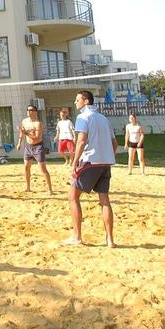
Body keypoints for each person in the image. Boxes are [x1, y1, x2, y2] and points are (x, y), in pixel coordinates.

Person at [65, 90, 117, 247]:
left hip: (90, 162)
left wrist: (74, 162)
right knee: (105, 200)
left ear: (86, 101)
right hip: (105, 163)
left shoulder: (83, 117)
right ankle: (110, 240)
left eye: (77, 100)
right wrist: (106, 155)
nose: (75, 102)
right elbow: (114, 144)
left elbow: (81, 141)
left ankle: (77, 237)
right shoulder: (104, 118)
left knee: (72, 196)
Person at [17, 105, 53, 194]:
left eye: (31, 110)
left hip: (38, 147)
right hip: (28, 146)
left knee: (43, 169)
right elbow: (22, 133)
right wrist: (19, 143)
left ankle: (50, 190)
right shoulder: (24, 121)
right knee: (26, 167)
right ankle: (28, 187)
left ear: (35, 112)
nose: (29, 112)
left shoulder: (38, 124)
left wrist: (25, 133)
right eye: (28, 110)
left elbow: (37, 137)